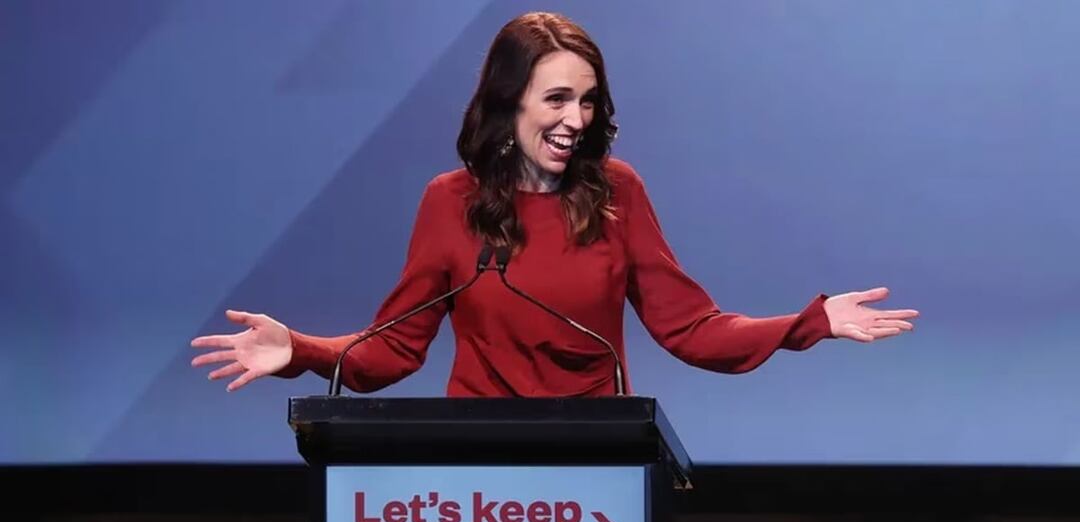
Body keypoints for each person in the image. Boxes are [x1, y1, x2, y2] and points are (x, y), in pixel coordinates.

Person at [191, 12, 917, 396]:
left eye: (589, 100)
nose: (577, 117)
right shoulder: (450, 204)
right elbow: (393, 349)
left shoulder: (617, 194)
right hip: (471, 487)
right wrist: (302, 353)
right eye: (558, 98)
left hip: (594, 473)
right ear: (509, 105)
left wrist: (807, 323)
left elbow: (692, 328)